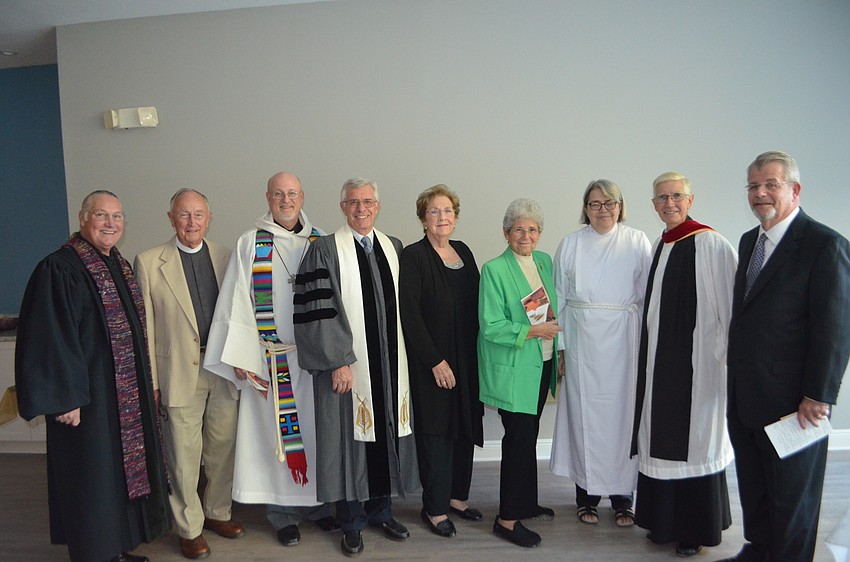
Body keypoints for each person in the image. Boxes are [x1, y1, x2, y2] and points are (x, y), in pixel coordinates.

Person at [15, 190, 171, 562]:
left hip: (122, 398)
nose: (110, 224)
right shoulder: (60, 268)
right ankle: (93, 554)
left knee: (116, 478)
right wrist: (65, 398)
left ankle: (114, 549)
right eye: (101, 215)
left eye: (117, 217)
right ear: (83, 218)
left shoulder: (116, 265)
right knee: (91, 481)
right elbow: (49, 336)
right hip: (86, 400)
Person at [721, 152, 850, 562]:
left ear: (794, 190)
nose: (760, 193)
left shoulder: (824, 244)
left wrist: (819, 394)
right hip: (746, 394)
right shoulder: (749, 241)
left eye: (770, 184)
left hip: (795, 402)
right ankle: (759, 550)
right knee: (756, 486)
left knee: (793, 498)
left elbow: (835, 329)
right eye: (753, 186)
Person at [203, 172, 337, 549]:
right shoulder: (251, 243)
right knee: (276, 438)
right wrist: (242, 357)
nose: (286, 200)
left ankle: (319, 506)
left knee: (315, 434)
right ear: (268, 197)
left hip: (313, 361)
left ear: (302, 196)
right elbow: (235, 301)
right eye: (278, 194)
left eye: (292, 193)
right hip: (271, 359)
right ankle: (282, 514)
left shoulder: (321, 241)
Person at [293, 177, 419, 557]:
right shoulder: (325, 250)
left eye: (368, 201)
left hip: (391, 365)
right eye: (353, 202)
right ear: (342, 207)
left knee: (385, 435)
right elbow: (317, 310)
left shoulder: (393, 247)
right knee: (345, 443)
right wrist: (337, 362)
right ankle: (351, 522)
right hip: (347, 369)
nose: (361, 208)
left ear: (378, 205)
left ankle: (381, 511)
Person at [629, 172, 736, 557]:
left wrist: (723, 365)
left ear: (690, 200)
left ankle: (693, 529)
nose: (669, 203)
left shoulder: (710, 243)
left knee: (693, 443)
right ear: (653, 204)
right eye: (661, 198)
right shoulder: (662, 243)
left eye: (676, 196)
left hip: (700, 368)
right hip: (660, 366)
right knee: (658, 439)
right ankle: (663, 522)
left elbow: (729, 309)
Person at [134, 188, 242, 559]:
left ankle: (217, 513)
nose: (191, 222)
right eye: (184, 215)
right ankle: (189, 528)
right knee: (183, 455)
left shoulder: (226, 256)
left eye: (198, 215)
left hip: (222, 369)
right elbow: (144, 327)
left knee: (222, 447)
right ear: (171, 218)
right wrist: (152, 383)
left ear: (209, 218)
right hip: (178, 372)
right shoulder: (149, 262)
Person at [550, 180, 651, 527]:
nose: (603, 210)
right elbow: (559, 299)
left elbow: (646, 297)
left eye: (609, 203)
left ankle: (624, 498)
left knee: (623, 418)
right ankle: (586, 496)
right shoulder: (571, 244)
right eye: (595, 204)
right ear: (585, 208)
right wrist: (560, 349)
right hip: (581, 344)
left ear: (621, 206)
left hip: (624, 341)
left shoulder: (637, 241)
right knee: (585, 418)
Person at [399, 184, 485, 538]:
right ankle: (434, 508)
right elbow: (410, 314)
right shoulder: (414, 256)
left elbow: (482, 303)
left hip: (467, 357)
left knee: (464, 426)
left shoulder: (463, 251)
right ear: (422, 218)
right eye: (434, 211)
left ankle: (456, 498)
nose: (442, 217)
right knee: (437, 432)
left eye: (447, 210)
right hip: (432, 360)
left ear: (456, 216)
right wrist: (435, 360)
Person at [478, 198, 560, 548]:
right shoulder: (494, 269)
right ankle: (507, 520)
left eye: (532, 229)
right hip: (515, 367)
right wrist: (533, 332)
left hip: (541, 363)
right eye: (518, 229)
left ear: (539, 234)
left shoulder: (543, 261)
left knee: (529, 436)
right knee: (517, 441)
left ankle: (525, 501)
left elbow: (552, 307)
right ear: (505, 232)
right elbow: (490, 325)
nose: (525, 236)